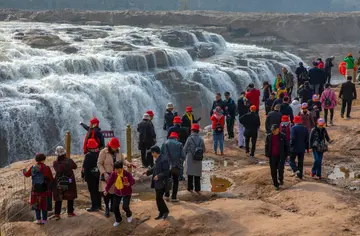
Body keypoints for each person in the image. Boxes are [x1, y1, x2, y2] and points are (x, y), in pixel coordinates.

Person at [98, 137, 131, 217]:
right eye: (114, 147)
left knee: (114, 192)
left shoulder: (118, 151)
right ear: (110, 146)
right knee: (106, 192)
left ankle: (112, 207)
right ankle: (107, 208)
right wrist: (104, 173)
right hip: (106, 175)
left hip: (116, 175)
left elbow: (123, 160)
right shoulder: (103, 152)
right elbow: (99, 163)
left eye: (117, 147)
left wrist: (128, 164)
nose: (116, 148)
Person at [23, 153, 53, 224]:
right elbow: (51, 178)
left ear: (36, 160)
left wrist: (24, 171)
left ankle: (38, 219)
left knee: (36, 204)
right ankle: (44, 220)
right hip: (44, 190)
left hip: (35, 190)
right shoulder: (47, 168)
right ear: (43, 160)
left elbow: (26, 174)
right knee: (44, 205)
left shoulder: (33, 167)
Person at [104, 161, 135, 227]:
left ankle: (129, 215)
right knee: (114, 207)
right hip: (117, 192)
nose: (116, 170)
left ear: (121, 168)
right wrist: (106, 190)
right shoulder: (114, 174)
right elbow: (110, 182)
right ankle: (118, 219)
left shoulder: (126, 174)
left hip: (127, 193)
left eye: (118, 169)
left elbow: (133, 181)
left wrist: (128, 183)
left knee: (125, 206)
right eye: (115, 169)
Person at [146, 145, 170, 220]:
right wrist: (147, 172)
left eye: (152, 153)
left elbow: (166, 172)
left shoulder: (164, 159)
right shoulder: (158, 159)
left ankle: (165, 211)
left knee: (159, 198)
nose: (152, 155)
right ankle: (161, 212)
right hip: (157, 183)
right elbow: (154, 168)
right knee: (158, 199)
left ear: (155, 152)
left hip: (162, 183)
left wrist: (159, 176)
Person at [53, 146, 77, 220]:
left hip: (59, 181)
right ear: (64, 153)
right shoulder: (69, 161)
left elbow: (57, 170)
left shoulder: (55, 163)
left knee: (59, 197)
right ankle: (70, 212)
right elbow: (75, 167)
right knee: (70, 195)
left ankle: (57, 214)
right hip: (69, 180)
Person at [161, 132, 186, 202]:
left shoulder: (164, 143)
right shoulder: (179, 144)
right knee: (175, 181)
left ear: (170, 137)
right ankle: (174, 197)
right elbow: (183, 156)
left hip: (166, 166)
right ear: (176, 138)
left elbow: (161, 155)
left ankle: (166, 195)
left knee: (167, 180)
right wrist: (179, 163)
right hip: (176, 166)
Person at [265, 124, 289, 190]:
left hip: (281, 156)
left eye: (275, 130)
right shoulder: (269, 136)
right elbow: (266, 146)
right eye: (272, 130)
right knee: (273, 170)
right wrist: (267, 155)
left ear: (278, 129)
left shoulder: (283, 136)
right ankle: (276, 184)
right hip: (272, 156)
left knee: (280, 169)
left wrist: (287, 155)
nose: (273, 132)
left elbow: (286, 145)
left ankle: (281, 179)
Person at [183, 124, 205, 193]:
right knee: (197, 174)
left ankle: (190, 188)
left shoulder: (189, 138)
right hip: (198, 158)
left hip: (190, 157)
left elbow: (185, 149)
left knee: (190, 173)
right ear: (198, 131)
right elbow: (204, 149)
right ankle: (197, 189)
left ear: (192, 130)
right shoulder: (201, 139)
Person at [82, 139, 101, 212]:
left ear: (89, 147)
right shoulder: (99, 153)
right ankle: (99, 205)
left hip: (90, 177)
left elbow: (85, 167)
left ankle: (94, 206)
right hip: (98, 175)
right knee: (98, 190)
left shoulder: (88, 155)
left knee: (92, 191)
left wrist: (83, 176)